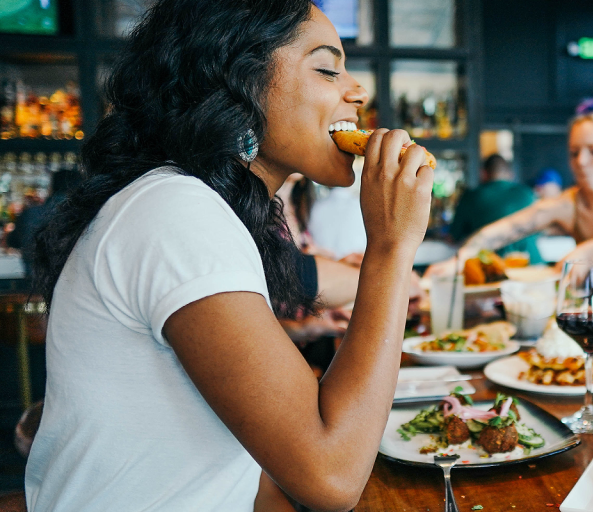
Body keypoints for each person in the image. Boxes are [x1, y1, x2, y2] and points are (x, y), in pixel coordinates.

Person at [25, 1, 433, 511]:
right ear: (237, 82)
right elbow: (333, 477)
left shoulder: (208, 209)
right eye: (328, 70)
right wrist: (391, 250)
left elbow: (239, 471)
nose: (358, 92)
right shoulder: (175, 212)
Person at [425, 98, 593, 276]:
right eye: (574, 152)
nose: (581, 161)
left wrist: (585, 253)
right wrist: (460, 259)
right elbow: (507, 228)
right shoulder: (569, 204)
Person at [449, 154, 541, 262]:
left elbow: (454, 237)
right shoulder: (528, 193)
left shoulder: (471, 197)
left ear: (483, 173)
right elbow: (539, 231)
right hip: (533, 263)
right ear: (509, 173)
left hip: (491, 265)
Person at [4, 169, 83, 279]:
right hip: (73, 283)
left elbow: (12, 242)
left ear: (51, 188)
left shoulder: (30, 214)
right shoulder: (84, 215)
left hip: (33, 283)